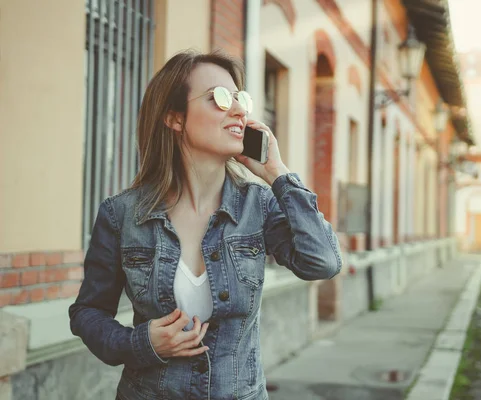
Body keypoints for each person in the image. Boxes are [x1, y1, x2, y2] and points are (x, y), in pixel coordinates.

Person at [69, 50, 342, 400]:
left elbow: (323, 262)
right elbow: (87, 312)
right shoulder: (121, 214)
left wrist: (278, 174)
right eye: (220, 98)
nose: (240, 110)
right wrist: (141, 342)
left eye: (241, 99)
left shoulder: (258, 205)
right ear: (175, 118)